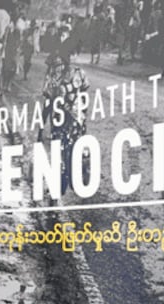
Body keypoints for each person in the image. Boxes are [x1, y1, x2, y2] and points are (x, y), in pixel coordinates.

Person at [41, 44, 90, 195]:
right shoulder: (79, 72)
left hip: (65, 117)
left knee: (64, 147)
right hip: (73, 116)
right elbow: (85, 90)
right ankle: (80, 170)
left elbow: (48, 102)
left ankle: (75, 172)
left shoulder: (52, 78)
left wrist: (42, 127)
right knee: (74, 144)